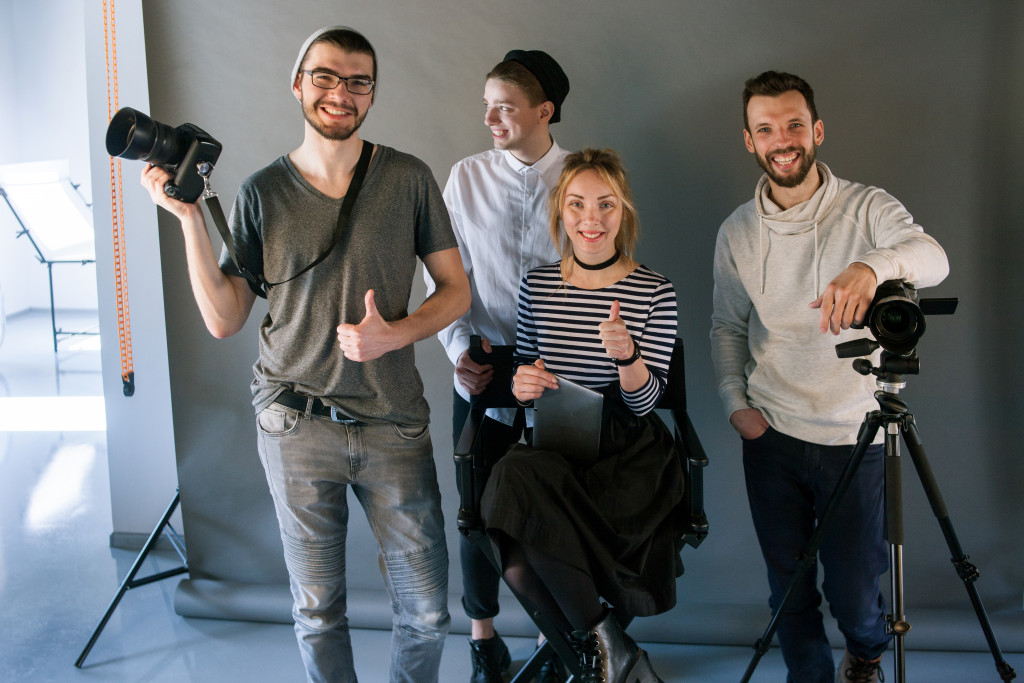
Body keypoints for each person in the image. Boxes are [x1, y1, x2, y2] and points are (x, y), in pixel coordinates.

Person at [140, 26, 470, 683]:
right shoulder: (263, 190)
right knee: (318, 610)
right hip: (293, 423)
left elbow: (457, 290)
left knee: (428, 610)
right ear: (298, 85)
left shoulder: (407, 178)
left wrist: (396, 333)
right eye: (325, 76)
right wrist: (186, 221)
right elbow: (225, 317)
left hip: (391, 421)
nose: (340, 92)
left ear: (371, 95)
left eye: (357, 81)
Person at [710, 70, 949, 683]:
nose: (782, 139)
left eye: (793, 124)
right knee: (788, 592)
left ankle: (865, 654)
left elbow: (933, 258)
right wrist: (737, 404)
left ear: (816, 130)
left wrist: (871, 267)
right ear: (749, 141)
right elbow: (726, 327)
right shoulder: (738, 230)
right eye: (766, 129)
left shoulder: (867, 208)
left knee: (854, 595)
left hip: (854, 436)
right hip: (773, 436)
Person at [480, 148, 681, 683]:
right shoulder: (538, 285)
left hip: (627, 457)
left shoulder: (654, 290)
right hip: (556, 447)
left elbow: (644, 403)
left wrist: (628, 357)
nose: (591, 220)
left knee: (524, 545)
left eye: (605, 205)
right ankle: (610, 647)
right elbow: (526, 374)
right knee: (512, 490)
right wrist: (522, 387)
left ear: (624, 211)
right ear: (560, 213)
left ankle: (595, 660)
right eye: (577, 205)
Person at [426, 49, 570, 683]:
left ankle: (553, 642)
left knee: (554, 511)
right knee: (475, 510)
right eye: (486, 105)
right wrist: (459, 354)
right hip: (483, 366)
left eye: (504, 107)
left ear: (545, 110)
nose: (489, 117)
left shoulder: (580, 178)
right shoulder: (464, 177)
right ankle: (483, 640)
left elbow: (604, 276)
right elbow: (440, 275)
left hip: (560, 371)